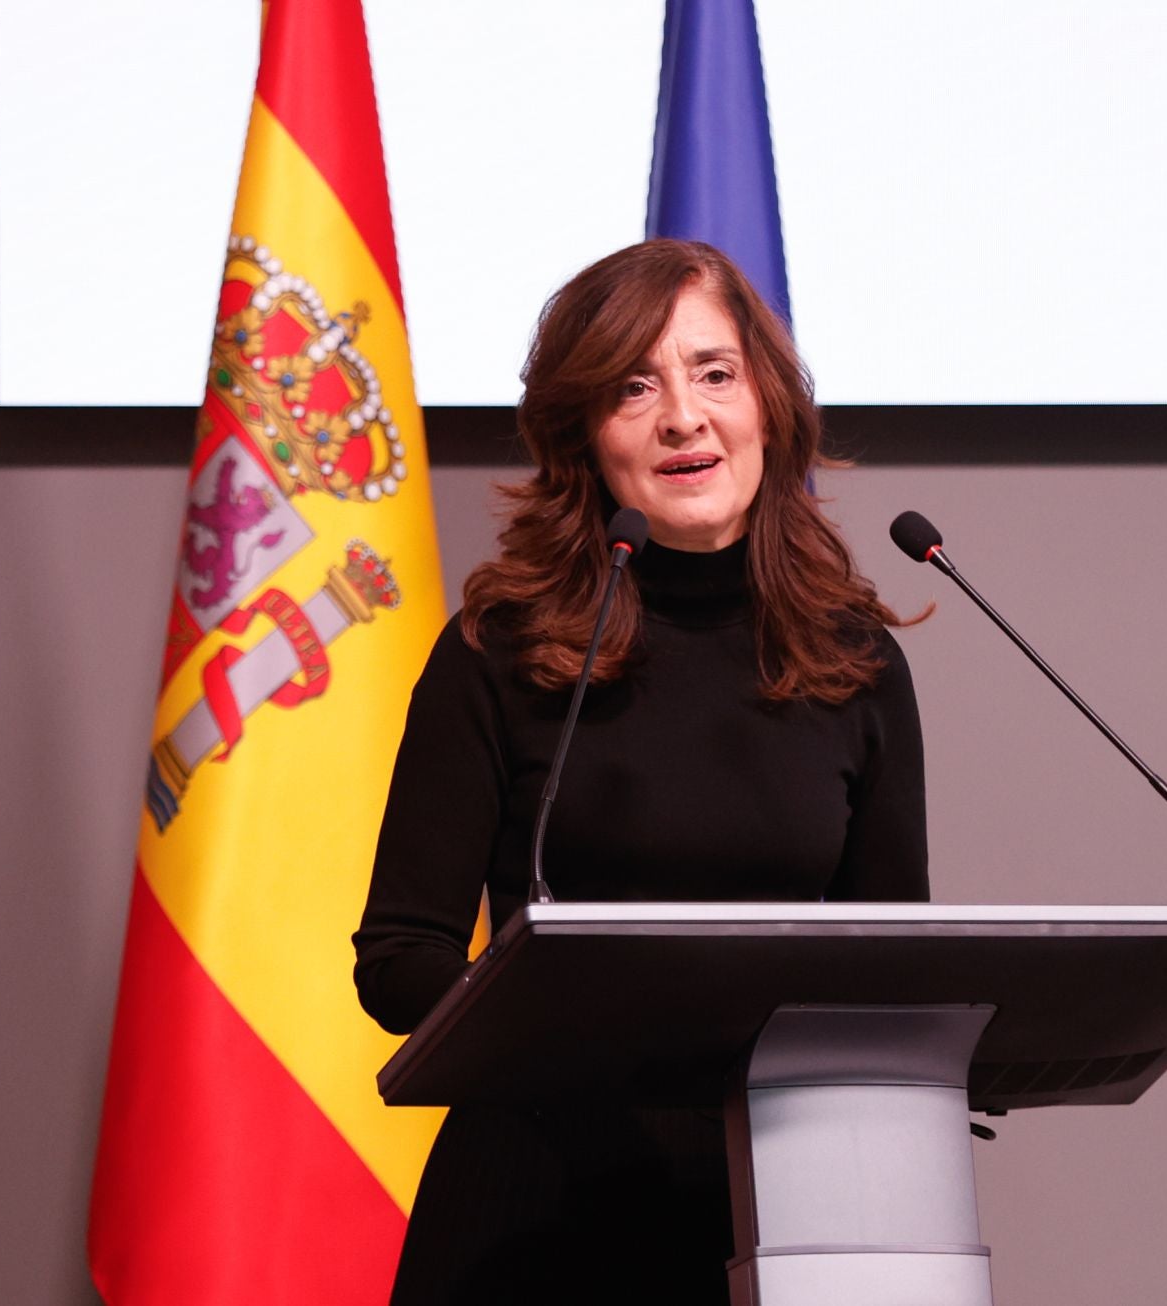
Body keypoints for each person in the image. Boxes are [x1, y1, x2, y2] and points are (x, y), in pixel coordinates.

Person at [353, 239, 928, 1304]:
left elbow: (891, 967)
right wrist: (569, 1023)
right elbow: (397, 960)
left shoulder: (853, 662)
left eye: (715, 373)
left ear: (769, 406)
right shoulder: (502, 650)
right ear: (585, 434)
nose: (683, 417)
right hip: (534, 1209)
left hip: (780, 1207)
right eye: (633, 387)